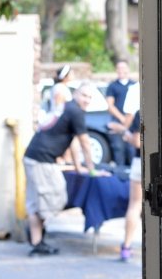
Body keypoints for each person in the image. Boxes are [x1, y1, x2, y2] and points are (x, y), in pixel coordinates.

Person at [23, 82, 100, 256]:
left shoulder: (68, 108)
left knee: (35, 203)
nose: (87, 100)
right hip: (41, 160)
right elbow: (85, 143)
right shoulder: (76, 111)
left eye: (90, 97)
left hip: (32, 157)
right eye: (84, 95)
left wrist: (79, 167)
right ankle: (34, 230)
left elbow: (73, 143)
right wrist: (91, 169)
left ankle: (37, 242)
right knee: (57, 197)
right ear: (76, 94)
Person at [105, 59, 137, 166]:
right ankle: (119, 173)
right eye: (119, 68)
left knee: (132, 149)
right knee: (118, 149)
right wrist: (123, 119)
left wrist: (129, 119)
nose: (121, 70)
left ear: (128, 69)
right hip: (117, 122)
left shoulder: (134, 85)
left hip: (133, 122)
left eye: (123, 67)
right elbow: (110, 106)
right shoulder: (112, 86)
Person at [120, 110, 142, 261]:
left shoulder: (142, 111)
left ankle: (126, 248)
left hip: (141, 162)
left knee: (135, 205)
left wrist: (127, 136)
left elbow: (138, 142)